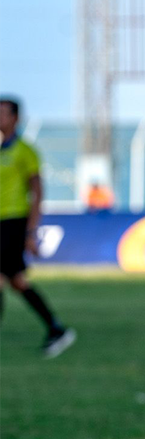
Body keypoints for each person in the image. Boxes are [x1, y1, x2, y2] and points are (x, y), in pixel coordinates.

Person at [0, 95, 74, 357]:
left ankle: (57, 328)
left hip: (13, 221)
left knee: (7, 279)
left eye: (3, 113)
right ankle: (56, 328)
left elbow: (37, 192)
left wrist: (31, 231)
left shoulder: (25, 151)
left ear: (16, 118)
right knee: (15, 281)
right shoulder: (2, 150)